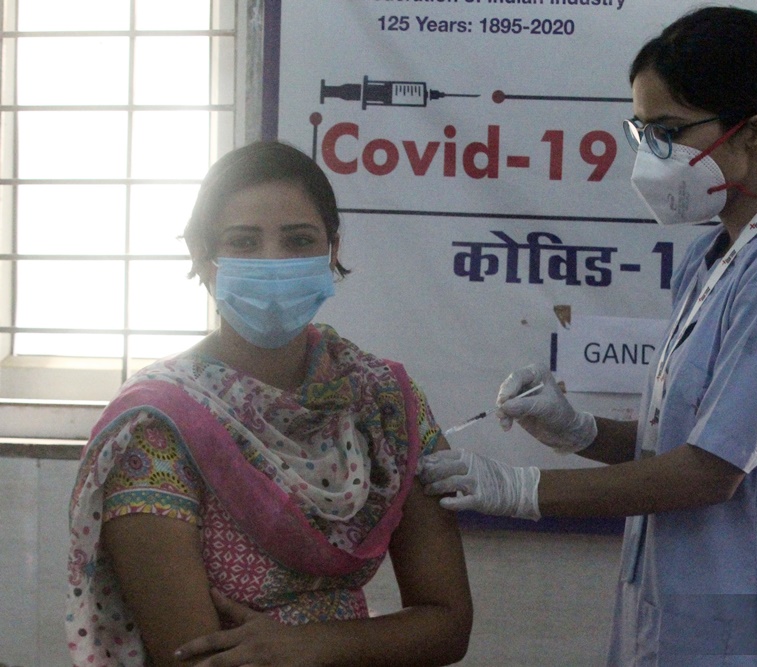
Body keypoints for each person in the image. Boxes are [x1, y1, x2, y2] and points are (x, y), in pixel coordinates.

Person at [419, 6, 757, 665]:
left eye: (669, 131)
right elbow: (692, 441)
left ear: (756, 133)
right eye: (642, 130)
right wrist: (581, 431)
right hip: (683, 621)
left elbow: (708, 473)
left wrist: (521, 488)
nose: (651, 154)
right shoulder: (715, 256)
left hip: (756, 629)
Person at [66, 141, 472, 667]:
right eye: (244, 242)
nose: (274, 262)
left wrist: (312, 644)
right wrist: (364, 644)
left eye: (299, 240)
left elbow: (448, 625)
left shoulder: (383, 400)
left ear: (332, 250)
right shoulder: (158, 425)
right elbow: (194, 658)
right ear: (201, 256)